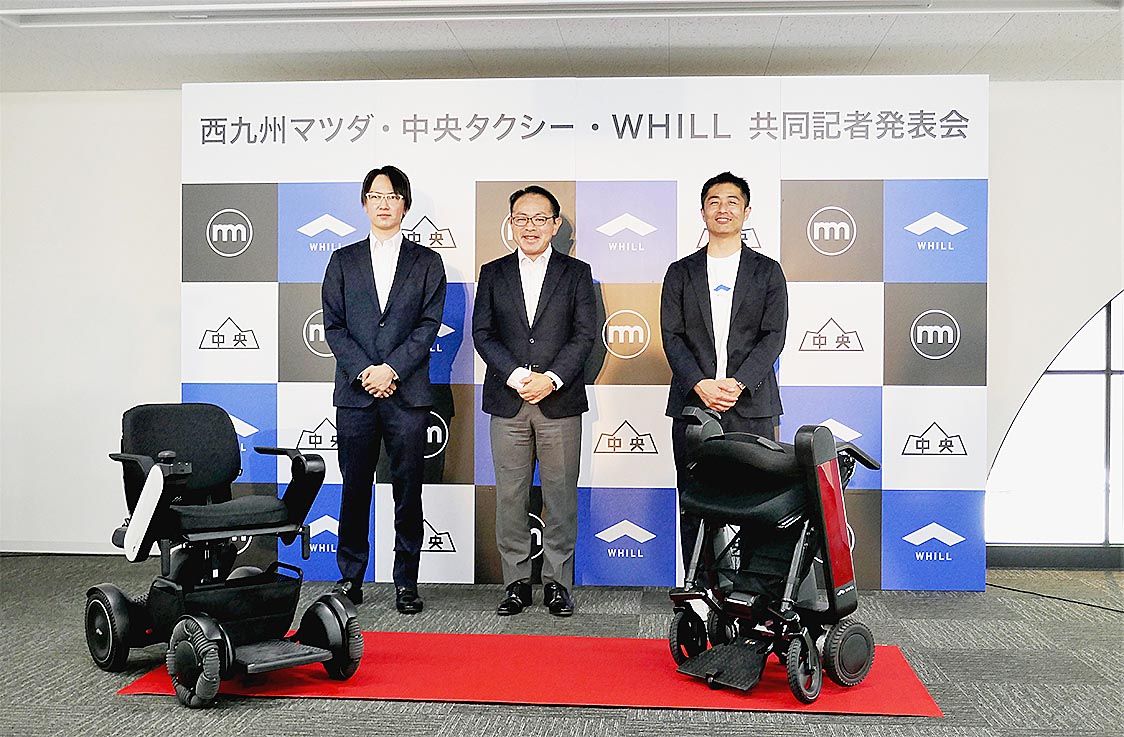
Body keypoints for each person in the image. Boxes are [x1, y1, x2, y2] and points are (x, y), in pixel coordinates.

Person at [321, 165, 447, 613]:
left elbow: (428, 325)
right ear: (364, 204)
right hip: (355, 396)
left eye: (392, 196)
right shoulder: (343, 260)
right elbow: (334, 327)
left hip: (406, 394)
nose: (384, 203)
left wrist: (391, 369)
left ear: (405, 205)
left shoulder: (427, 262)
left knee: (408, 491)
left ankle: (406, 582)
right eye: (375, 196)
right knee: (354, 488)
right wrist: (365, 371)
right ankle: (350, 577)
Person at [473, 185, 596, 617]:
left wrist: (552, 379)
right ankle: (516, 584)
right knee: (510, 497)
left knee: (560, 497)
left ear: (555, 224)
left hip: (559, 402)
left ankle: (558, 584)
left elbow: (584, 335)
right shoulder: (493, 272)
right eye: (521, 218)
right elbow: (483, 333)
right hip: (508, 400)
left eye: (540, 218)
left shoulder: (576, 273)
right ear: (510, 223)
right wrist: (517, 376)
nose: (530, 227)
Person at [660, 171, 789, 569]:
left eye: (733, 202)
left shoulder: (767, 271)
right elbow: (672, 336)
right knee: (695, 501)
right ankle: (700, 586)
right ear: (702, 212)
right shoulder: (680, 272)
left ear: (746, 212)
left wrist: (739, 383)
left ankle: (755, 587)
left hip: (751, 405)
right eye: (714, 201)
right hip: (693, 405)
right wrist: (700, 384)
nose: (723, 209)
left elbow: (774, 335)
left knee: (759, 502)